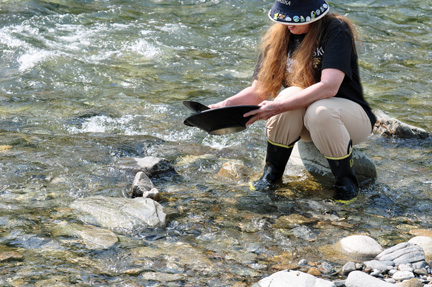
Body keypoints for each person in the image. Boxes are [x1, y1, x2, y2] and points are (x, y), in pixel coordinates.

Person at [209, 0, 376, 203]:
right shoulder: (279, 35)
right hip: (306, 124)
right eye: (284, 15)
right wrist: (224, 106)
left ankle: (346, 182)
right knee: (289, 96)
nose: (288, 23)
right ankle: (271, 176)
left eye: (293, 16)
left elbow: (329, 86)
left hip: (348, 120)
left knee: (317, 110)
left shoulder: (336, 30)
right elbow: (259, 91)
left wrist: (277, 106)